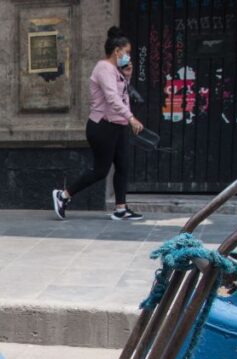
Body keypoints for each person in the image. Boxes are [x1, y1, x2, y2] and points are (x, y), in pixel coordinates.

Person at [53, 26, 145, 222]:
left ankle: (121, 209)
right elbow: (112, 98)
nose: (128, 56)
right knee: (100, 171)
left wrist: (127, 75)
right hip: (102, 126)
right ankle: (63, 196)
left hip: (117, 126)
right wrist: (131, 118)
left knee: (123, 166)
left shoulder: (115, 70)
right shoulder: (104, 68)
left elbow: (121, 95)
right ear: (117, 51)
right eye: (127, 52)